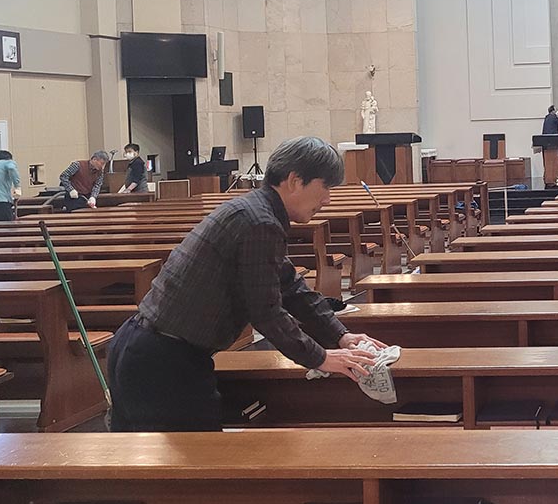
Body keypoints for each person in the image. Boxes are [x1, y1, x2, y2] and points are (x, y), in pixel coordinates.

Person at [107, 136, 387, 431]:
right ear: (295, 181)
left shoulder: (258, 213)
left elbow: (291, 286)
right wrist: (321, 358)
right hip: (163, 362)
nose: (327, 199)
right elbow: (266, 312)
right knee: (189, 458)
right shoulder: (259, 222)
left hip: (149, 349)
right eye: (325, 187)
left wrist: (341, 336)